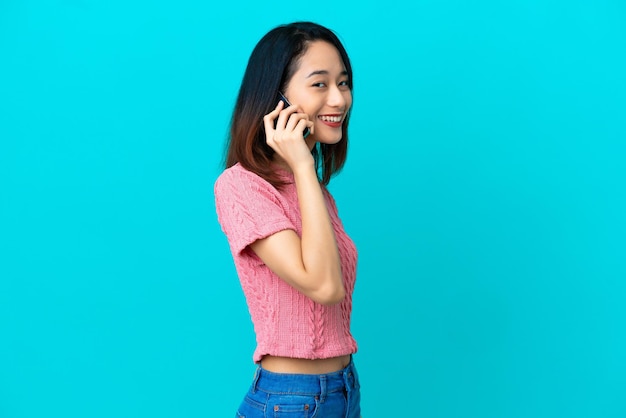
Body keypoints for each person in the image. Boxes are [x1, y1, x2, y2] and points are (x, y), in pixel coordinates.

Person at [214, 21, 361, 417]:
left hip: (343, 389)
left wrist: (302, 172)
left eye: (343, 83)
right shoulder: (241, 187)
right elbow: (324, 285)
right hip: (290, 400)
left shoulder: (315, 192)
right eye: (320, 84)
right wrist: (300, 162)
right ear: (275, 97)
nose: (339, 99)